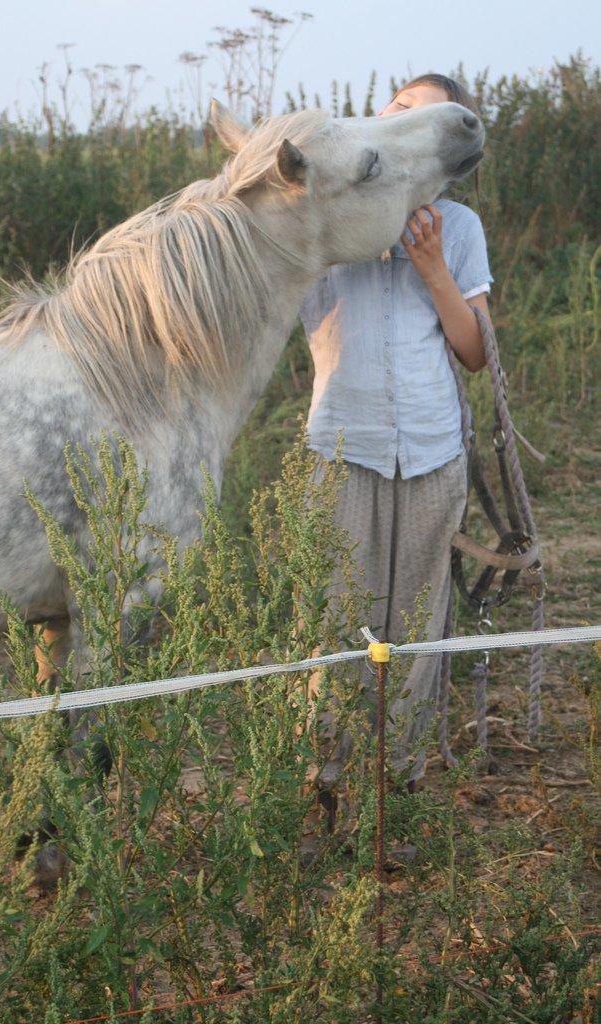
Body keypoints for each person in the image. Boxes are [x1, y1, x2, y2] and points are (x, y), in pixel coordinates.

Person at [301, 74, 493, 794]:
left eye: (426, 114)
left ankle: (398, 787)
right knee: (335, 622)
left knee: (413, 629)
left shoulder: (458, 226)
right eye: (398, 107)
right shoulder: (324, 213)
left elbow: (474, 353)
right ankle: (326, 783)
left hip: (429, 447)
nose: (404, 120)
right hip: (341, 448)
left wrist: (433, 266)